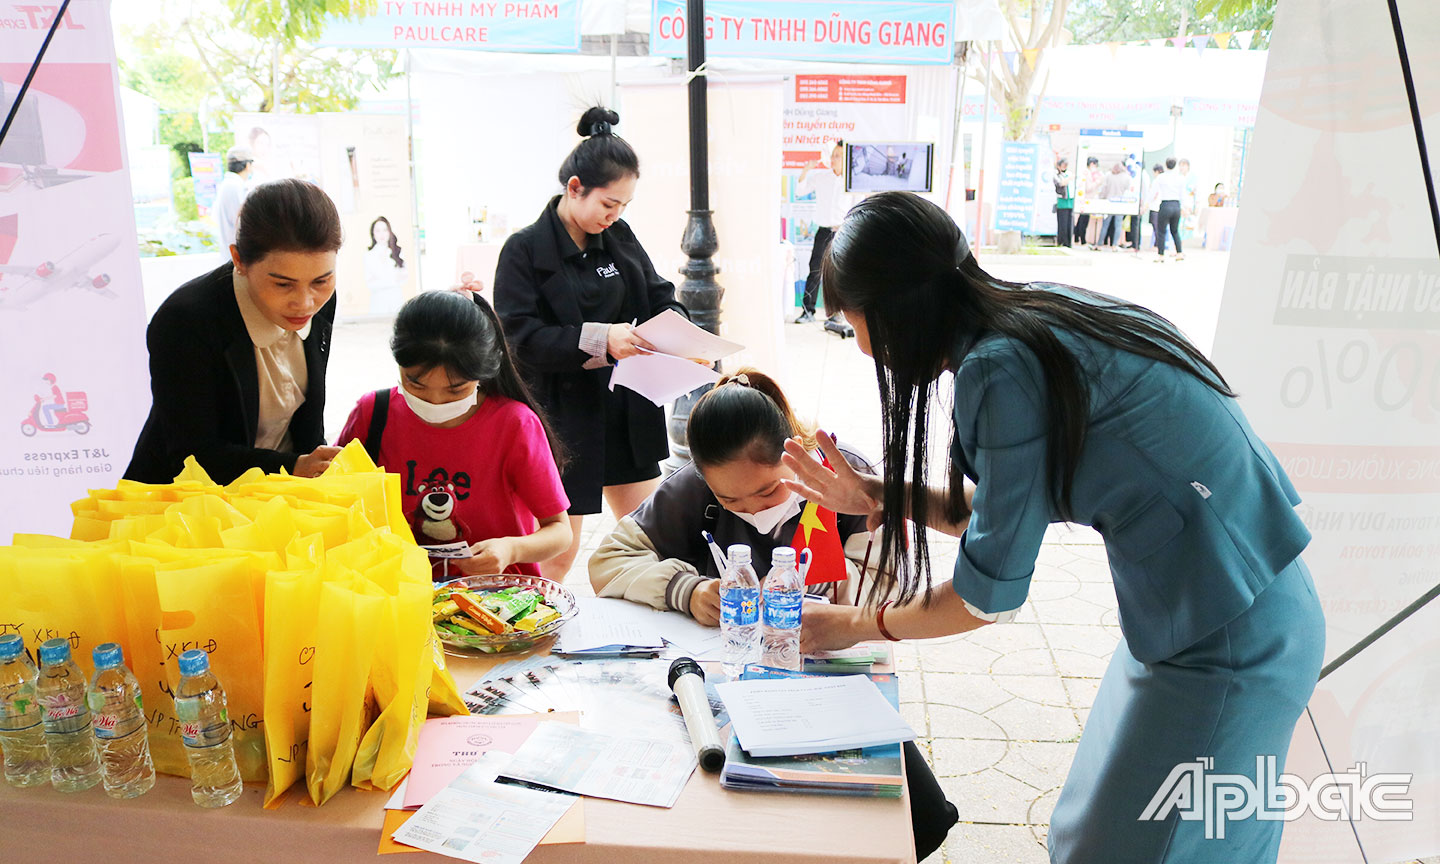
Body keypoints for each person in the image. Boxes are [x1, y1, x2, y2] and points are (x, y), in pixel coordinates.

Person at [787, 191, 1325, 864]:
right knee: (1092, 836)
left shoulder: (999, 366)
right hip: (1208, 614)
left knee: (1139, 852)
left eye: (850, 318)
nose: (858, 343)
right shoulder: (1028, 315)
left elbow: (987, 597)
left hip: (1231, 642)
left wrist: (858, 625)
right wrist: (875, 493)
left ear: (893, 311)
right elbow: (1006, 518)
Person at [588, 367, 959, 862]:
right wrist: (688, 590)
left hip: (827, 685)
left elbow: (892, 588)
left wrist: (814, 591)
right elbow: (608, 560)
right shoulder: (692, 492)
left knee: (899, 824)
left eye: (767, 492)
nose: (750, 508)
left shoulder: (847, 481)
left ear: (796, 453)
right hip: (726, 685)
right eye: (728, 500)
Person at [494, 106, 689, 580]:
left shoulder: (619, 237)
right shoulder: (523, 250)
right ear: (574, 187)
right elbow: (518, 339)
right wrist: (603, 339)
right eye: (607, 204)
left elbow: (661, 295)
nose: (615, 215)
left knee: (655, 540)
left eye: (623, 206)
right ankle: (534, 641)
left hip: (626, 411)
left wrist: (680, 331)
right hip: (562, 419)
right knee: (557, 555)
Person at [336, 290, 572, 580]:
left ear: (483, 373)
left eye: (456, 389)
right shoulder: (373, 414)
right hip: (397, 594)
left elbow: (560, 532)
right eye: (416, 384)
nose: (435, 402)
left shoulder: (514, 424)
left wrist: (511, 549)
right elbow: (335, 502)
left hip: (494, 599)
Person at [126, 179, 343, 485]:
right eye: (283, 284)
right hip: (186, 507)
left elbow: (306, 421)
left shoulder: (322, 301)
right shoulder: (185, 321)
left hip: (280, 497)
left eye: (321, 281)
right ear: (239, 260)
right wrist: (292, 466)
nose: (305, 303)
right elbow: (192, 457)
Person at [794, 140, 849, 323]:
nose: (833, 159)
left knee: (839, 273)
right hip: (824, 231)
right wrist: (806, 170)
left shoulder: (850, 182)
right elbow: (800, 191)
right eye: (833, 155)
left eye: (838, 156)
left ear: (846, 158)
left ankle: (836, 314)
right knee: (815, 270)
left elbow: (858, 205)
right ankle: (807, 311)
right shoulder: (821, 177)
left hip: (843, 232)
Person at [364, 215, 408, 315]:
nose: (381, 234)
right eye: (378, 231)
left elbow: (404, 278)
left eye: (385, 230)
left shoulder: (398, 252)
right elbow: (370, 284)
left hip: (396, 301)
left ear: (389, 232)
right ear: (373, 233)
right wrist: (392, 279)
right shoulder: (369, 256)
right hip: (378, 303)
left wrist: (381, 280)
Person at [213, 145, 253, 248]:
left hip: (229, 250)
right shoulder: (235, 186)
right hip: (236, 251)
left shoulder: (227, 184)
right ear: (248, 165)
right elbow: (241, 222)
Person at [1153, 157, 1188, 260]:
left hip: (1165, 204)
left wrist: (1147, 203)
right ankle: (1179, 253)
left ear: (1166, 165)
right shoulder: (1180, 178)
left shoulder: (1161, 177)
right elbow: (1183, 195)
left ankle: (1161, 255)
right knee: (1175, 230)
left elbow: (1153, 191)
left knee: (1161, 231)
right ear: (1175, 165)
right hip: (1176, 205)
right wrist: (1184, 207)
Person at [1099, 163, 1131, 247]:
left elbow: (1103, 188)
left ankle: (1099, 244)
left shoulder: (1108, 175)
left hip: (1108, 203)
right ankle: (1114, 245)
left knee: (1105, 225)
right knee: (1118, 225)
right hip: (1120, 204)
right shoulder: (1126, 177)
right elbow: (1128, 191)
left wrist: (1101, 198)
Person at [1075, 156, 1102, 247]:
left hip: (1085, 199)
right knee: (1084, 220)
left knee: (1081, 220)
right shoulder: (1087, 174)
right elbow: (1088, 188)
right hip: (1086, 199)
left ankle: (1077, 238)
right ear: (1092, 164)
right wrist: (1097, 182)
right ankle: (1082, 240)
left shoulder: (1086, 173)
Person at [1053, 158, 1074, 247]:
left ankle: (1069, 243)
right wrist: (1068, 179)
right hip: (1062, 202)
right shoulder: (1056, 175)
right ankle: (1062, 242)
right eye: (1063, 165)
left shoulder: (1069, 174)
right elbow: (1061, 183)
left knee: (1070, 224)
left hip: (1071, 201)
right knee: (1062, 224)